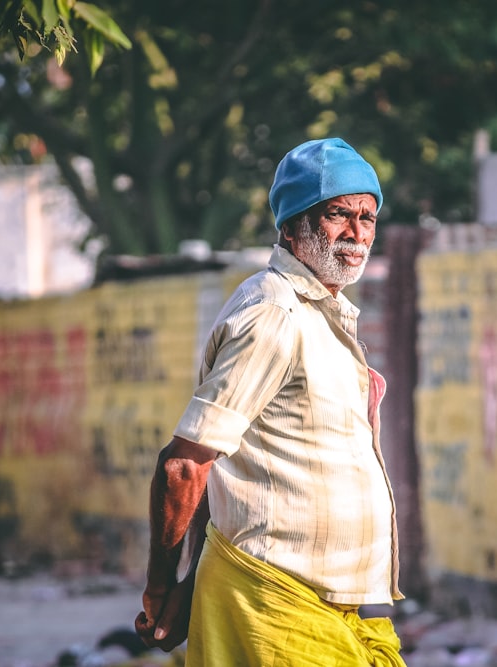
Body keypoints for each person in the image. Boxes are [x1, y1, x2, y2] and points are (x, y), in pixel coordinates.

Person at [135, 137, 405, 666]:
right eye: (337, 215)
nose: (356, 234)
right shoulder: (275, 314)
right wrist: (162, 588)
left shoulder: (321, 314)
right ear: (291, 225)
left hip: (330, 607)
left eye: (367, 218)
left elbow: (230, 465)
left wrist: (188, 581)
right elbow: (186, 468)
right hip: (274, 602)